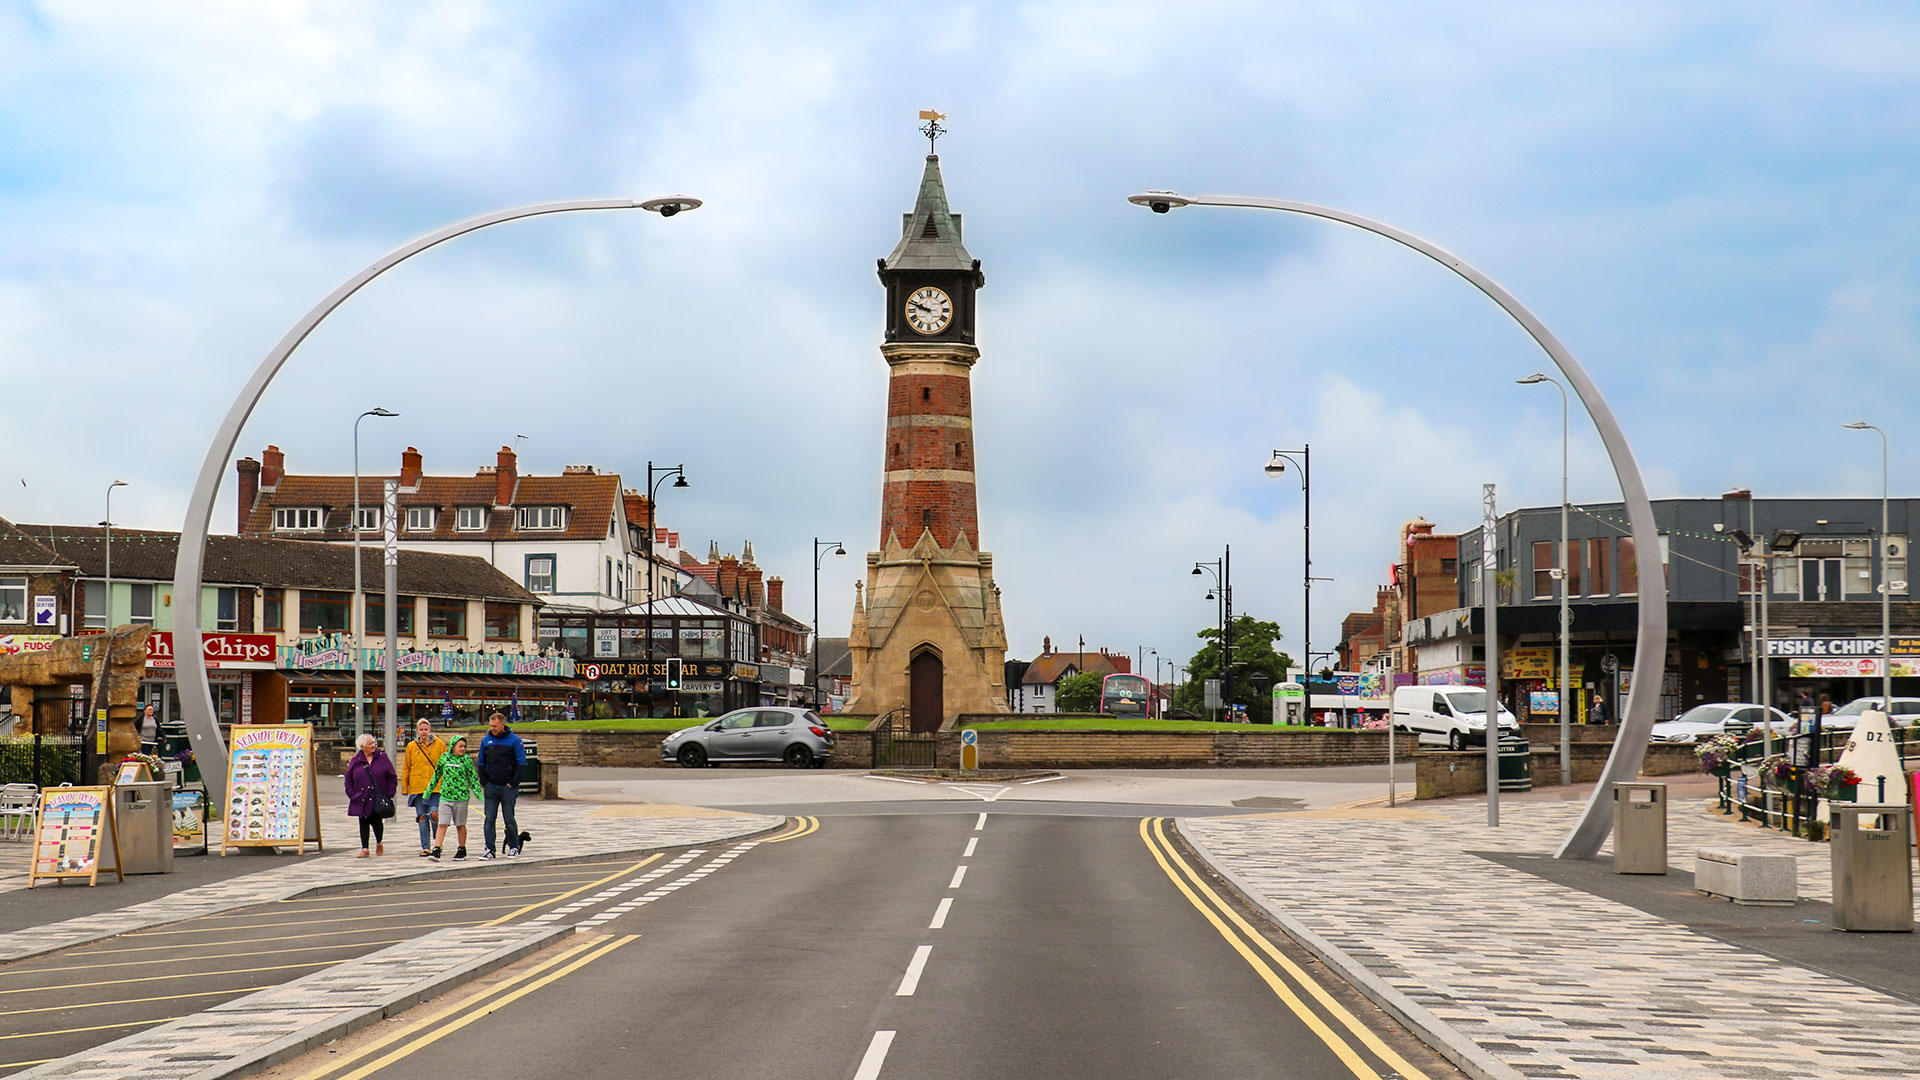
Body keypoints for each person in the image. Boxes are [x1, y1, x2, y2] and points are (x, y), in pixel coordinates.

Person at [477, 712, 527, 859]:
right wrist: (484, 781)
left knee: (509, 819)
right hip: (491, 786)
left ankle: (513, 846)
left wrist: (513, 782)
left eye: (495, 726)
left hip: (508, 787)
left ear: (502, 725)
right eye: (491, 726)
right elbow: (481, 762)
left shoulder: (515, 741)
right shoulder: (486, 741)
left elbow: (521, 763)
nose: (492, 729)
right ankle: (489, 849)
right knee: (489, 818)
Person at [344, 733, 397, 857]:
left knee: (376, 821)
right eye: (370, 744)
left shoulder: (382, 757)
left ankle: (379, 842)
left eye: (373, 743)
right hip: (361, 797)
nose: (373, 745)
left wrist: (389, 793)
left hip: (377, 796)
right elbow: (348, 778)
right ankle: (365, 848)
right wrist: (352, 794)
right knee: (363, 821)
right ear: (362, 746)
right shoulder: (356, 760)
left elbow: (392, 777)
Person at [399, 719, 447, 857]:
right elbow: (407, 766)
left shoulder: (439, 744)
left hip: (436, 787)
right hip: (417, 787)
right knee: (421, 817)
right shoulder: (412, 746)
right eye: (421, 730)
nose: (424, 732)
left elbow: (445, 764)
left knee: (434, 814)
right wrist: (404, 787)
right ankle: (426, 847)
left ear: (429, 730)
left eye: (426, 729)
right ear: (417, 731)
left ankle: (438, 842)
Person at [427, 736, 478, 861]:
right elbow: (436, 775)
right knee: (442, 823)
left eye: (464, 747)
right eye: (460, 746)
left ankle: (461, 849)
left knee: (460, 824)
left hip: (461, 798)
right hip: (445, 797)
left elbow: (472, 778)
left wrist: (478, 793)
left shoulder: (466, 760)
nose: (462, 749)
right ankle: (437, 849)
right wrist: (428, 791)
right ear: (453, 746)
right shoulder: (444, 758)